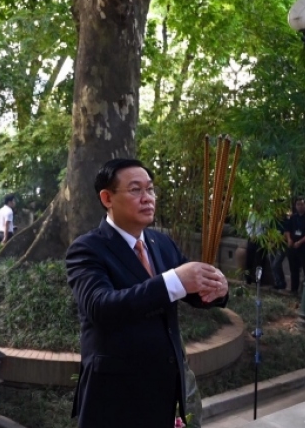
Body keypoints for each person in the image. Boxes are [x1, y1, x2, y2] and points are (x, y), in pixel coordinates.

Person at [65, 159, 229, 428]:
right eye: (135, 190)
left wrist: (217, 288)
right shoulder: (87, 249)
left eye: (150, 190)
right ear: (107, 197)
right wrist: (174, 281)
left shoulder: (161, 243)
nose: (147, 198)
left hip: (163, 390)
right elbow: (100, 307)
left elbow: (190, 290)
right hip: (114, 394)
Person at [286, 197, 305, 294]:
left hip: (304, 247)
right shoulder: (293, 217)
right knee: (294, 269)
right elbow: (287, 230)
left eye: (302, 204)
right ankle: (294, 290)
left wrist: (300, 242)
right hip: (293, 246)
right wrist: (289, 239)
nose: (300, 206)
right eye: (298, 204)